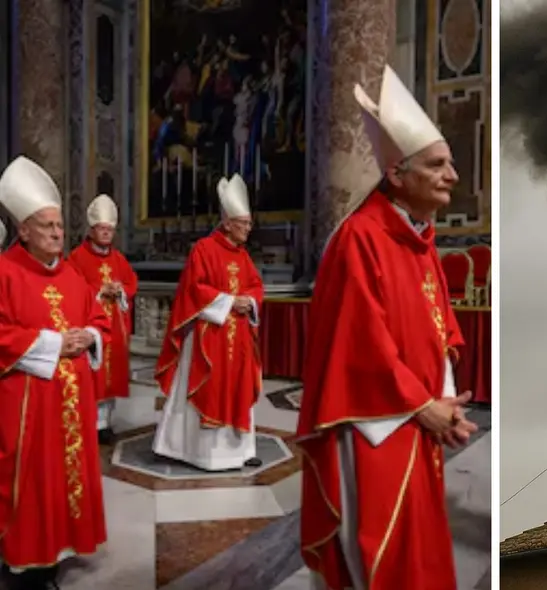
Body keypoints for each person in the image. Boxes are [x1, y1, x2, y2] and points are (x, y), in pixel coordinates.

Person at [297, 65, 480, 590]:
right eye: (438, 165)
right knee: (380, 550)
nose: (453, 177)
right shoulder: (360, 239)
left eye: (451, 164)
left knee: (419, 548)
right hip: (375, 425)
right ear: (398, 174)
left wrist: (444, 404)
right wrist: (423, 407)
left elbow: (439, 326)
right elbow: (359, 344)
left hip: (419, 422)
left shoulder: (421, 239)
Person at [0, 156, 111, 590]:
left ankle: (57, 550)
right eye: (46, 226)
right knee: (27, 479)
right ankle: (24, 561)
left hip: (71, 406)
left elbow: (99, 319)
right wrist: (51, 344)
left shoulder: (72, 276)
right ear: (23, 230)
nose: (57, 234)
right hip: (26, 405)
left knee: (66, 478)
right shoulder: (5, 273)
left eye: (60, 226)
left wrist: (88, 336)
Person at [151, 173, 264, 471]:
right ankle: (192, 451)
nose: (248, 230)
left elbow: (255, 285)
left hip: (237, 334)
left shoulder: (243, 256)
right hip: (208, 332)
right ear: (227, 223)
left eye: (250, 224)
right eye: (244, 224)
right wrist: (229, 302)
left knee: (237, 385)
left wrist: (249, 301)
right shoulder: (203, 248)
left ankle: (240, 450)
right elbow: (194, 287)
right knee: (205, 385)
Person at [68, 194, 139, 444]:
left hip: (115, 330)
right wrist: (100, 290)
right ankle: (91, 423)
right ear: (91, 229)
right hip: (92, 329)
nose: (106, 234)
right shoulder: (77, 257)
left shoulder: (118, 258)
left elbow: (132, 282)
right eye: (102, 229)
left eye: (110, 230)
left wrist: (121, 290)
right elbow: (72, 289)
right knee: (93, 376)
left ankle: (106, 423)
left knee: (112, 379)